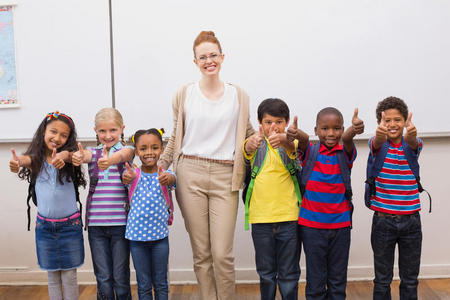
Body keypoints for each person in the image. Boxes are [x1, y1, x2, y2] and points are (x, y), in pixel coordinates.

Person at [159, 30, 254, 300]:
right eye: (203, 57)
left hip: (226, 175)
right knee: (202, 253)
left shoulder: (239, 95)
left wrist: (261, 139)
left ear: (222, 57)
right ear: (195, 62)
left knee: (222, 253)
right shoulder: (184, 94)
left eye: (213, 55)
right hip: (190, 174)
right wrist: (161, 165)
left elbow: (248, 133)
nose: (209, 60)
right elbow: (176, 134)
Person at [287, 107, 364, 299]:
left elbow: (347, 139)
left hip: (341, 227)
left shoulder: (344, 153)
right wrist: (295, 133)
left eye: (336, 128)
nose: (331, 133)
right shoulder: (310, 152)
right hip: (311, 228)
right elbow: (303, 141)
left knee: (338, 283)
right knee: (315, 282)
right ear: (316, 130)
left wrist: (354, 130)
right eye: (325, 128)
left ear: (342, 129)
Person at [9, 111, 86, 300]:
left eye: (63, 135)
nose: (57, 138)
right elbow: (26, 159)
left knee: (69, 275)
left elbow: (70, 155)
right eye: (53, 132)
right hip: (45, 228)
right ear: (43, 131)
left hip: (70, 226)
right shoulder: (36, 158)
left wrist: (66, 155)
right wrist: (17, 161)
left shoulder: (69, 158)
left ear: (68, 139)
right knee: (52, 276)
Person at [72, 107, 134, 300]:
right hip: (96, 227)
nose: (108, 135)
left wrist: (110, 160)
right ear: (96, 131)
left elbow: (124, 155)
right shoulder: (93, 152)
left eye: (113, 130)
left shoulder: (127, 150)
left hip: (121, 226)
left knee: (121, 276)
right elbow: (85, 157)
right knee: (104, 277)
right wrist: (78, 156)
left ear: (122, 129)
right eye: (102, 131)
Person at [243, 98, 301, 300]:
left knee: (289, 274)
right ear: (260, 123)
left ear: (286, 123)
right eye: (268, 122)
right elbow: (247, 151)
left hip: (289, 218)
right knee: (266, 274)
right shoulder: (255, 142)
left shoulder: (292, 143)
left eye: (278, 122)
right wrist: (250, 144)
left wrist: (285, 142)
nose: (273, 127)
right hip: (260, 221)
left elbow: (296, 156)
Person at [367, 97, 423, 300]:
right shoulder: (376, 144)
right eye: (387, 120)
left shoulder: (412, 145)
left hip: (411, 222)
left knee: (410, 279)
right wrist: (380, 135)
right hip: (383, 222)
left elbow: (413, 142)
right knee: (382, 279)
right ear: (380, 123)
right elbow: (377, 141)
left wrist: (412, 135)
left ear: (405, 121)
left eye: (397, 120)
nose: (392, 124)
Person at [120, 128, 176, 300]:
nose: (149, 152)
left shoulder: (165, 174)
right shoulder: (133, 174)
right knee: (143, 284)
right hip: (137, 240)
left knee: (161, 283)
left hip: (160, 239)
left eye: (154, 147)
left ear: (161, 149)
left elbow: (173, 180)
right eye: (143, 149)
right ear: (136, 151)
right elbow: (125, 178)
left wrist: (168, 179)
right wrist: (126, 177)